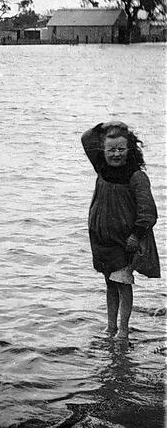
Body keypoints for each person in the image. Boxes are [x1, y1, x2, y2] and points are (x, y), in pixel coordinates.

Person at [81, 121, 161, 339]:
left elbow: (148, 212)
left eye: (120, 149)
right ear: (103, 151)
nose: (115, 154)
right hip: (102, 242)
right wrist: (107, 125)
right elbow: (86, 139)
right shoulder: (102, 168)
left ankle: (123, 330)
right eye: (110, 149)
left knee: (123, 284)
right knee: (110, 283)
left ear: (130, 150)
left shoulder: (136, 176)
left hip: (125, 242)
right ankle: (111, 327)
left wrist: (136, 235)